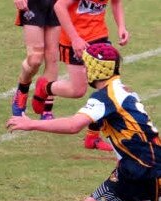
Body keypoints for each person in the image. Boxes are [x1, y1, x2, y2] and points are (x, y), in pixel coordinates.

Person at [7, 43, 161, 201]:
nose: (85, 70)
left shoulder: (106, 97)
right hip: (127, 173)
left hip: (149, 178)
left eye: (87, 65)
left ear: (98, 68)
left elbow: (73, 125)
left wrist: (31, 124)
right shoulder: (119, 91)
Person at [30, 0, 129, 151]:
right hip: (74, 40)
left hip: (99, 36)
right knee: (78, 91)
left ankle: (93, 136)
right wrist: (75, 38)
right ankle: (45, 88)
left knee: (109, 87)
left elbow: (116, 3)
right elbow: (59, 6)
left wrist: (121, 27)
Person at [11, 0, 61, 120]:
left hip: (59, 3)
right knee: (35, 59)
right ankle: (22, 89)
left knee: (52, 57)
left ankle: (46, 110)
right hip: (33, 4)